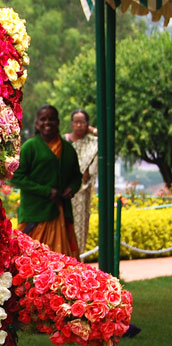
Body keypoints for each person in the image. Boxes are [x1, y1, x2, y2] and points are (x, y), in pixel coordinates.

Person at [11, 104, 81, 257]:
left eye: (51, 119)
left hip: (62, 214)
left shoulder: (68, 149)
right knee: (30, 261)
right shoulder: (30, 147)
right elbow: (16, 177)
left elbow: (77, 176)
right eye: (43, 119)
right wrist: (46, 191)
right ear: (37, 124)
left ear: (58, 122)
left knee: (63, 262)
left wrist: (72, 188)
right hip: (35, 215)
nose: (47, 122)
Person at [65, 109, 99, 257]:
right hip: (64, 191)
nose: (79, 125)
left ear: (87, 124)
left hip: (82, 192)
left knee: (79, 230)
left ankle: (77, 263)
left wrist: (94, 131)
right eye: (76, 122)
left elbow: (108, 139)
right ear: (72, 124)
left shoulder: (92, 143)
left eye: (83, 122)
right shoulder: (64, 141)